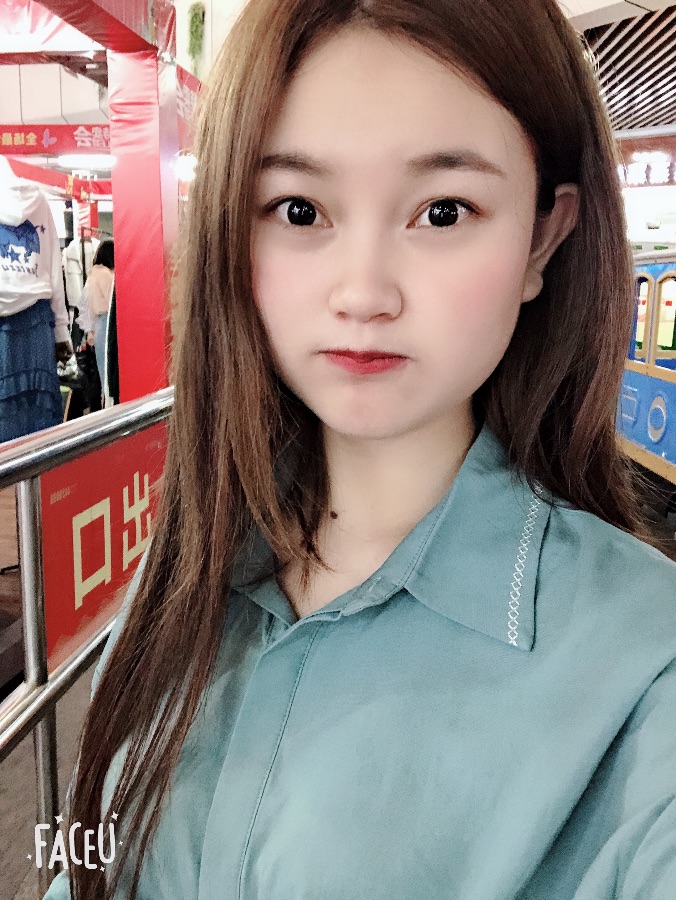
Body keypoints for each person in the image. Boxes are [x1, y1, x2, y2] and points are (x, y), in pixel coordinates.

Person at [44, 1, 676, 898]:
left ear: (543, 236)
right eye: (299, 209)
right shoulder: (189, 563)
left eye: (443, 211)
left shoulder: (645, 668)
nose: (364, 291)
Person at [0, 158, 73, 442]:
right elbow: (54, 269)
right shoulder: (38, 201)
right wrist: (61, 331)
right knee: (39, 422)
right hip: (37, 324)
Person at [77, 239, 114, 402]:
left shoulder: (93, 275)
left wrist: (89, 331)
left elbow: (85, 306)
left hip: (98, 324)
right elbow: (112, 301)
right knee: (109, 371)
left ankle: (105, 403)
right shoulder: (106, 275)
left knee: (103, 370)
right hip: (107, 322)